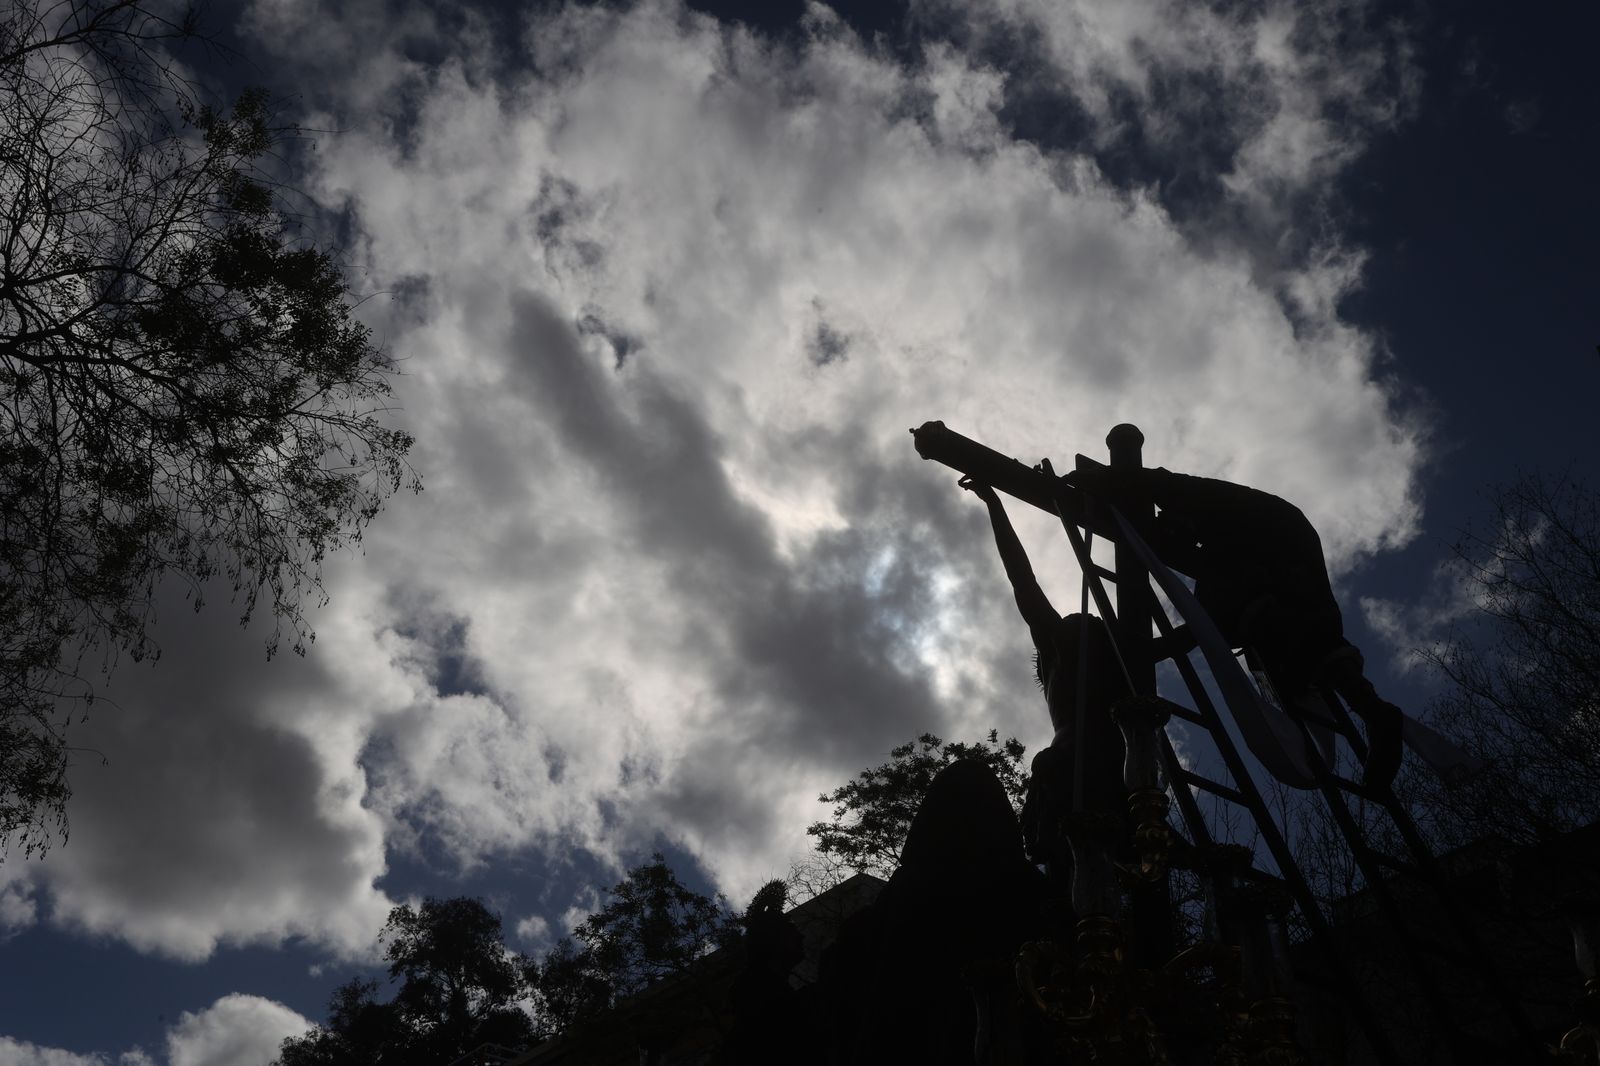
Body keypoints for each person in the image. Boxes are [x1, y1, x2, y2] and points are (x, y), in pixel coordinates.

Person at [1062, 461, 1404, 788]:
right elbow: (1204, 627)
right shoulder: (1219, 564)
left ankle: (1369, 711)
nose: (1183, 550)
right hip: (1276, 569)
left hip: (1282, 545)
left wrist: (1102, 477)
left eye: (1178, 536)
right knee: (1299, 650)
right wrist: (1152, 651)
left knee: (1309, 638)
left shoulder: (1195, 502)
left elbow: (1156, 481)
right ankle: (1361, 711)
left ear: (1179, 520)